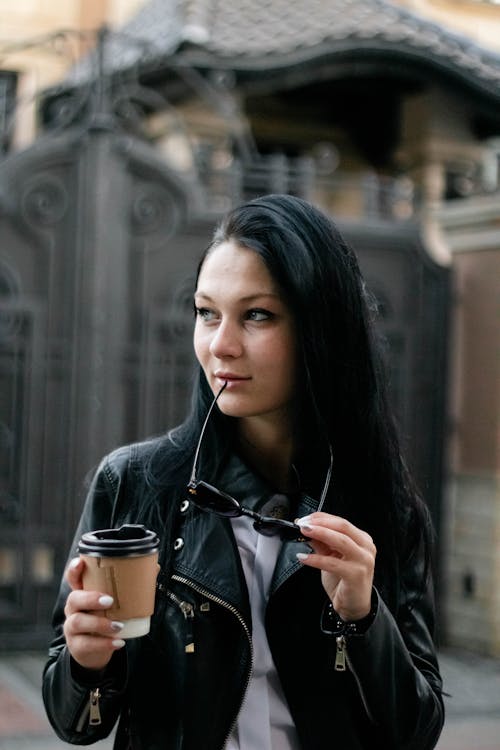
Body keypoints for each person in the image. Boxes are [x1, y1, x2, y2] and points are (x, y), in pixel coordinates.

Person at [42, 193, 444, 750]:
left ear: (320, 331)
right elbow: (74, 723)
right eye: (207, 313)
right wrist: (86, 664)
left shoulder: (380, 504)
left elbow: (417, 732)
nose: (220, 345)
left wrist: (363, 617)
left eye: (257, 315)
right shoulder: (134, 483)